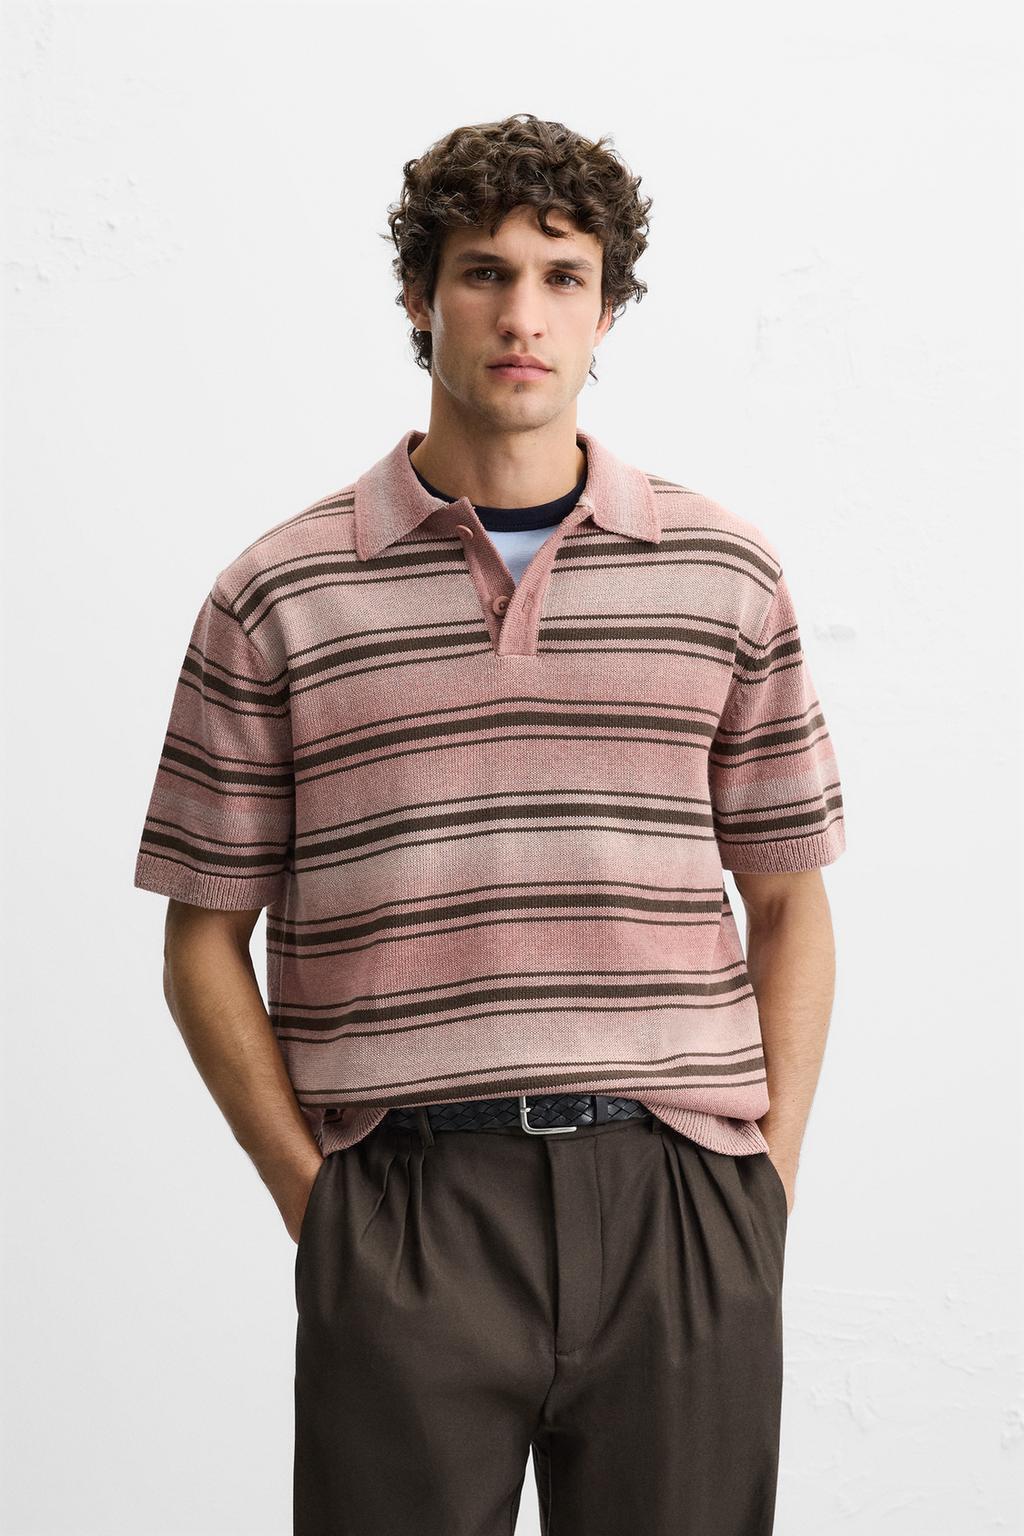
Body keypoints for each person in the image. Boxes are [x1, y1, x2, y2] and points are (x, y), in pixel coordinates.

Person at [133, 112, 846, 1536]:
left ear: (606, 307)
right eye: (484, 272)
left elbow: (788, 901)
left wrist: (761, 1190)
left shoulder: (722, 572)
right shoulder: (278, 594)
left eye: (563, 276)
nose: (524, 316)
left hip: (679, 1196)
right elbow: (202, 939)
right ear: (421, 294)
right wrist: (318, 1208)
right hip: (406, 1201)